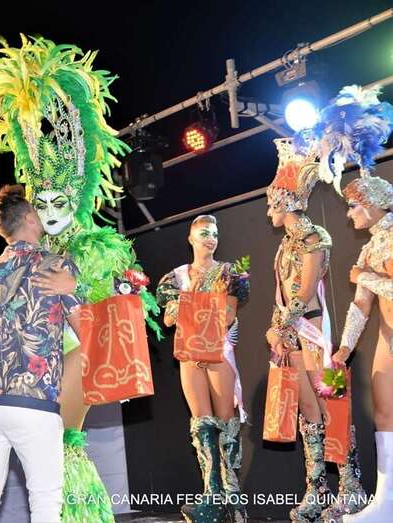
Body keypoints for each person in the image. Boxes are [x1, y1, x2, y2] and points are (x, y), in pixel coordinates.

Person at [0, 35, 160, 522]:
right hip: (32, 369)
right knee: (51, 458)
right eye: (44, 203)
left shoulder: (92, 245)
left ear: (75, 199)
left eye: (61, 202)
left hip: (72, 351)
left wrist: (83, 290)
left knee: (62, 444)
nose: (51, 212)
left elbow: (113, 310)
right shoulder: (32, 254)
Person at [0, 184, 82, 523]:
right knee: (45, 501)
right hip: (33, 399)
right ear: (29, 216)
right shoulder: (56, 266)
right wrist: (78, 289)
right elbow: (86, 329)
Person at [264, 136, 367, 522]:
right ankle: (317, 488)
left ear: (284, 201)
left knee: (332, 405)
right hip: (290, 333)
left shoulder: (314, 238)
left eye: (271, 202)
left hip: (313, 331)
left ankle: (351, 487)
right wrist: (276, 329)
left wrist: (282, 327)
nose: (269, 210)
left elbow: (305, 291)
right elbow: (282, 293)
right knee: (307, 412)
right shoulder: (283, 245)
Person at [312, 85, 393, 522]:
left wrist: (367, 277)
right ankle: (387, 502)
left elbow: (373, 286)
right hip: (387, 340)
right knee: (384, 412)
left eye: (354, 206)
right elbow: (361, 305)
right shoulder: (369, 247)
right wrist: (344, 348)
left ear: (374, 205)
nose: (349, 214)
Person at [156, 215, 250, 522]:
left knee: (226, 422)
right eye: (204, 234)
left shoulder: (228, 273)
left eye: (215, 234)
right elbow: (168, 319)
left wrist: (194, 302)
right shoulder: (176, 277)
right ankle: (211, 495)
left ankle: (233, 498)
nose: (210, 239)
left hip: (218, 349)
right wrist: (190, 299)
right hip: (189, 353)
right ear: (191, 239)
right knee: (202, 424)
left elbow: (228, 315)